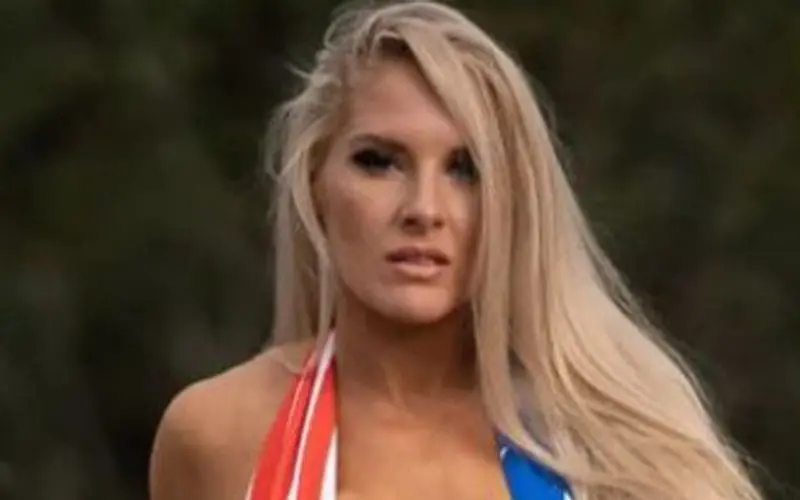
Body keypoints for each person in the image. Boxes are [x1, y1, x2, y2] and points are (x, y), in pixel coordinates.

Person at [148, 1, 763, 499]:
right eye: (379, 161)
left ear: (514, 202)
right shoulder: (218, 433)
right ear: (316, 184)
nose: (425, 209)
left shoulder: (608, 445)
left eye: (466, 170)